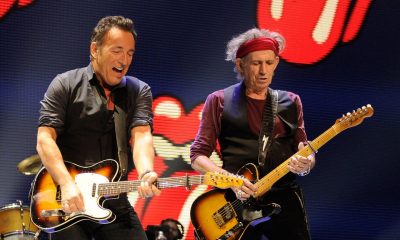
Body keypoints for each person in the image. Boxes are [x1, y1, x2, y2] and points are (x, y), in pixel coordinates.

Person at [36, 15, 160, 240]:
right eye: (117, 50)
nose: (124, 60)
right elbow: (45, 138)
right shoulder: (65, 84)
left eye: (130, 53)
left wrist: (146, 172)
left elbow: (141, 136)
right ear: (95, 49)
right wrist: (66, 183)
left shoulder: (138, 90)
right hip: (68, 197)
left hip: (114, 198)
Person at [190, 28, 315, 239]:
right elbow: (198, 156)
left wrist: (307, 163)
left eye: (269, 62)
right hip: (235, 200)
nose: (264, 71)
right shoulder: (219, 100)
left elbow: (304, 151)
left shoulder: (291, 101)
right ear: (240, 64)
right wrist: (230, 180)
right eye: (256, 63)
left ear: (276, 63)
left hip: (283, 197)